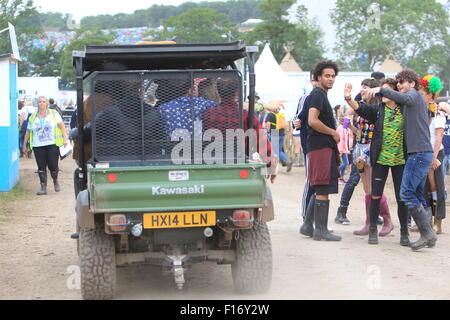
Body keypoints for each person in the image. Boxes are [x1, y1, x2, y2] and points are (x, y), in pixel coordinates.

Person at [364, 69, 438, 251]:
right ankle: (428, 233)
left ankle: (427, 233)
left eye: (402, 81)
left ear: (412, 84)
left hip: (419, 153)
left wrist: (382, 90)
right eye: (397, 82)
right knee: (416, 193)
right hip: (418, 153)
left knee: (406, 193)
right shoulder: (409, 102)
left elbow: (402, 97)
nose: (399, 84)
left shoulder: (414, 95)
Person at [345, 78, 409, 246]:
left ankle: (404, 233)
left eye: (386, 90)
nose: (382, 93)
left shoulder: (405, 109)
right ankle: (372, 229)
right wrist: (348, 98)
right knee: (375, 195)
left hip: (400, 160)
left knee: (402, 198)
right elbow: (361, 108)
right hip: (380, 159)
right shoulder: (378, 110)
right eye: (382, 90)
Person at [299, 60, 341, 241]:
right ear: (318, 77)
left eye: (333, 76)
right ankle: (321, 230)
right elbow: (312, 120)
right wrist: (333, 132)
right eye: (327, 76)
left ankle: (308, 225)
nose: (331, 79)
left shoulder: (321, 94)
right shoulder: (317, 94)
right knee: (323, 187)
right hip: (321, 146)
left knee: (318, 186)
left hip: (320, 147)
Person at [346, 78, 393, 237]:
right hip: (360, 148)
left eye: (365, 88)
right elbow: (360, 132)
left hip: (371, 150)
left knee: (374, 188)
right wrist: (349, 127)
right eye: (361, 88)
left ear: (374, 90)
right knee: (366, 188)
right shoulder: (363, 108)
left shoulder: (378, 109)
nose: (362, 90)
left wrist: (365, 154)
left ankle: (387, 220)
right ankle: (368, 222)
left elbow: (377, 135)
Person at [22, 96, 69, 195]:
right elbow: (28, 131)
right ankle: (43, 187)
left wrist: (65, 139)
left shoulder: (54, 114)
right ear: (37, 104)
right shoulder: (33, 116)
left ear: (47, 103)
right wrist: (24, 145)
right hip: (38, 146)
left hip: (52, 145)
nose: (42, 103)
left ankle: (55, 181)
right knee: (41, 167)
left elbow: (62, 127)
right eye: (40, 102)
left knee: (53, 165)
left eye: (44, 102)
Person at [418, 75, 445, 234]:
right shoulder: (421, 111)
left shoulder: (438, 111)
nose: (420, 96)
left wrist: (434, 157)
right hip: (423, 152)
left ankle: (438, 221)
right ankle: (425, 221)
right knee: (424, 187)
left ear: (430, 94)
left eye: (422, 93)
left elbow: (438, 136)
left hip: (435, 153)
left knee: (436, 186)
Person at [293, 71, 316, 221]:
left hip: (323, 148)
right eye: (313, 79)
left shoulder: (325, 98)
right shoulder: (306, 98)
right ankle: (306, 218)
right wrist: (296, 123)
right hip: (309, 147)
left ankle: (318, 220)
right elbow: (296, 118)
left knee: (321, 185)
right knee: (311, 181)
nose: (316, 82)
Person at [264, 105, 292, 172]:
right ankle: (286, 161)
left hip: (274, 133)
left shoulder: (270, 115)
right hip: (282, 133)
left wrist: (267, 132)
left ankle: (286, 161)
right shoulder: (280, 115)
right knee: (279, 150)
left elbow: (268, 124)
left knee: (275, 151)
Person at [336, 112, 353, 184]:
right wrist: (343, 150)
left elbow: (346, 139)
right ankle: (338, 176)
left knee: (345, 163)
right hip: (341, 149)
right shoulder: (340, 128)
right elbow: (341, 140)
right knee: (345, 163)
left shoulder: (345, 128)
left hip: (344, 149)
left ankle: (340, 177)